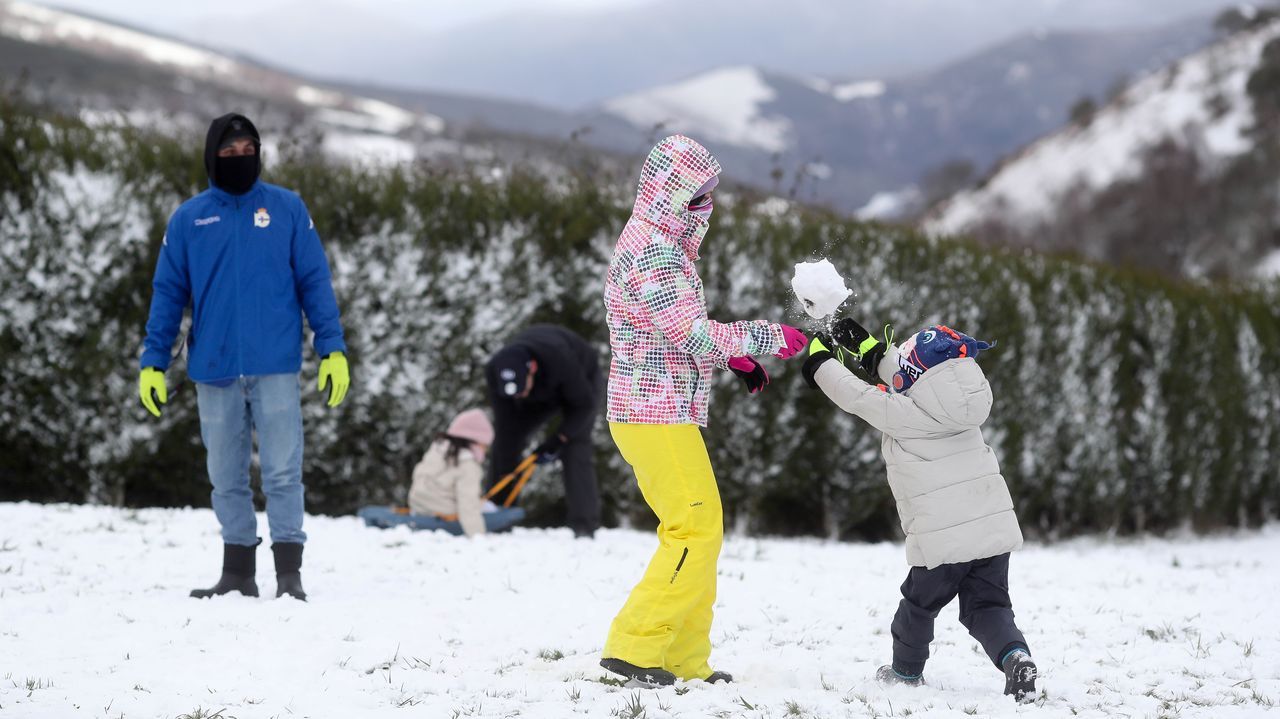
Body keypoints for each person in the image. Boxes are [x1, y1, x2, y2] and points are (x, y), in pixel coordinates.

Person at [598, 134, 808, 686]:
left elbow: (668, 330)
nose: (705, 205)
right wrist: (762, 338)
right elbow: (689, 333)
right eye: (697, 194)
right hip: (652, 413)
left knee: (700, 529)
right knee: (693, 529)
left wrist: (733, 358)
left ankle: (684, 658)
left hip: (659, 409)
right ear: (670, 192)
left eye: (710, 194)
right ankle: (636, 647)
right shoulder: (655, 250)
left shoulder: (660, 241)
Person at [138, 113, 350, 602]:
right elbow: (168, 295)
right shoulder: (190, 219)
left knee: (281, 472)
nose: (239, 159)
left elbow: (315, 282)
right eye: (229, 152)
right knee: (225, 476)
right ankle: (237, 574)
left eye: (247, 150)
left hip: (275, 364)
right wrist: (153, 362)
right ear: (212, 157)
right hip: (214, 369)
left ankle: (289, 576)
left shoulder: (288, 209)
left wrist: (332, 348)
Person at [802, 318, 1037, 701]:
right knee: (989, 607)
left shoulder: (907, 415)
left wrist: (819, 361)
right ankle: (1016, 658)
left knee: (917, 607)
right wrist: (867, 347)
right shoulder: (962, 403)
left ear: (919, 378)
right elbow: (910, 376)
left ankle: (905, 673)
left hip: (942, 542)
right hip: (992, 535)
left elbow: (857, 395)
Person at [484, 324, 602, 538]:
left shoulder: (561, 360)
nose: (517, 397)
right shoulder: (494, 370)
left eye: (521, 389)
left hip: (580, 386)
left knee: (575, 446)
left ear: (532, 369)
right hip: (540, 393)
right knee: (505, 443)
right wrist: (506, 462)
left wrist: (558, 439)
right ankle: (498, 514)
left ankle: (584, 525)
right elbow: (505, 428)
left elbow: (584, 406)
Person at [356, 409, 526, 535]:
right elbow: (467, 503)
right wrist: (477, 534)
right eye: (484, 444)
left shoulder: (437, 448)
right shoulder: (468, 464)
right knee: (489, 508)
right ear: (476, 441)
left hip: (419, 505)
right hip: (445, 511)